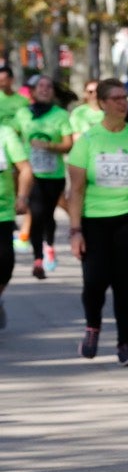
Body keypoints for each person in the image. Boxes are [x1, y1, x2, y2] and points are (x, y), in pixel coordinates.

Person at [66, 82, 128, 365]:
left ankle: (125, 344)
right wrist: (75, 231)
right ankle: (93, 325)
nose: (123, 103)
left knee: (124, 283)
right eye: (116, 99)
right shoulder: (88, 140)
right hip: (94, 219)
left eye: (125, 98)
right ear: (103, 104)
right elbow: (77, 190)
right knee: (95, 281)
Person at [17, 76, 75, 278]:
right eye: (40, 86)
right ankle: (38, 259)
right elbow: (15, 137)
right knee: (36, 213)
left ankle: (49, 245)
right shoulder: (22, 113)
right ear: (32, 91)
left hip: (54, 174)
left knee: (48, 214)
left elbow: (68, 145)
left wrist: (50, 146)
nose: (44, 89)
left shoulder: (60, 115)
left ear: (53, 92)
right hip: (31, 175)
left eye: (49, 87)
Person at [0, 119, 31, 329]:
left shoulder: (5, 133)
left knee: (5, 264)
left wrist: (22, 197)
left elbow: (25, 169)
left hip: (3, 211)